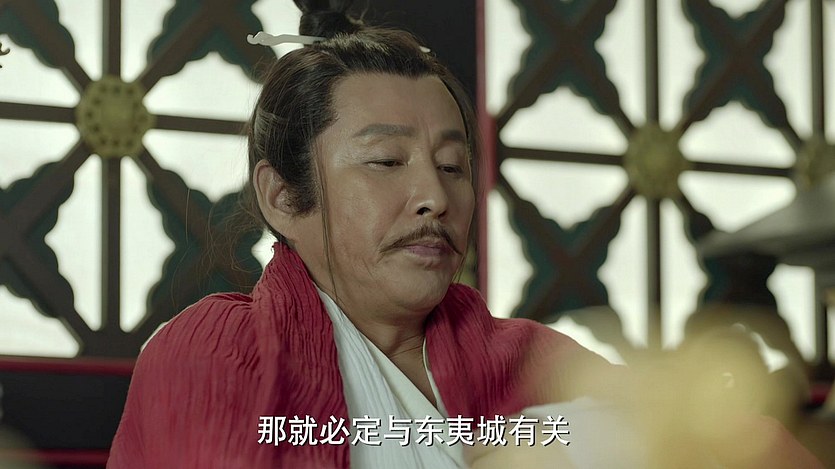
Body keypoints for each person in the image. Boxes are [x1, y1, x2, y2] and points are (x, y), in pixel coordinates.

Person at [107, 1, 824, 468]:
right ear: (284, 197)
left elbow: (738, 444)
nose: (435, 197)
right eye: (386, 161)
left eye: (452, 166)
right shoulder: (216, 353)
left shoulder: (525, 360)